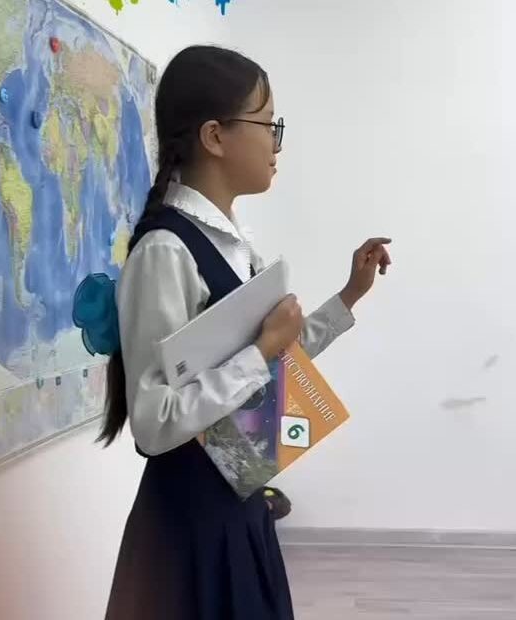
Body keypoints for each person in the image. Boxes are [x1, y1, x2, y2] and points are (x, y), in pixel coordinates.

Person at [97, 45, 391, 619]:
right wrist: (261, 350)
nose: (276, 143)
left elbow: (275, 360)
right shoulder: (165, 251)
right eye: (268, 124)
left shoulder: (234, 246)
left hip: (240, 501)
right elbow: (154, 424)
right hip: (189, 528)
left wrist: (348, 297)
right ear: (215, 136)